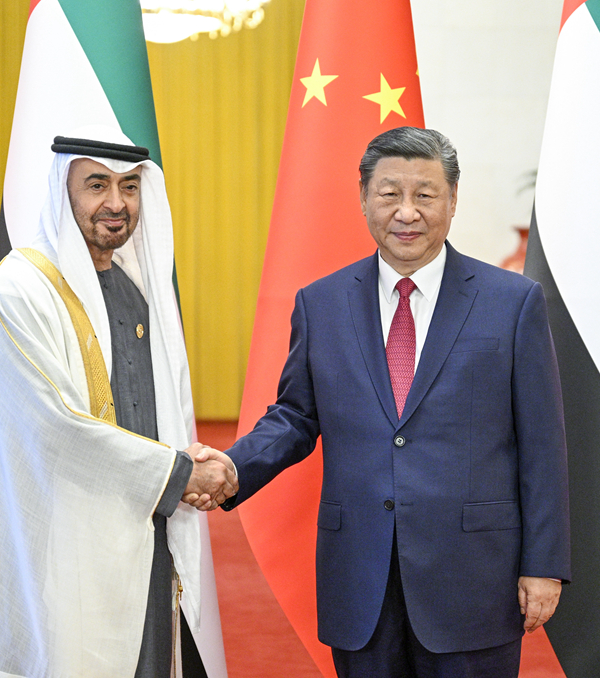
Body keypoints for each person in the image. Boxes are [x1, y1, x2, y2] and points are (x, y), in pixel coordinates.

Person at [202, 127, 570, 677]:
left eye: (425, 195)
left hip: (473, 578)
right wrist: (233, 467)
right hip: (361, 577)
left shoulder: (512, 302)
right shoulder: (321, 303)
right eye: (390, 193)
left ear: (452, 200)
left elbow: (543, 443)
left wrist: (544, 564)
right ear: (363, 198)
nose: (407, 212)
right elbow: (296, 415)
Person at [0, 125, 238, 678]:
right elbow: (54, 429)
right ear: (64, 191)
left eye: (129, 187)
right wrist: (181, 474)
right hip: (64, 544)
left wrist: (188, 465)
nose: (116, 203)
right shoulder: (23, 289)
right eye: (97, 184)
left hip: (145, 526)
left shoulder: (134, 289)